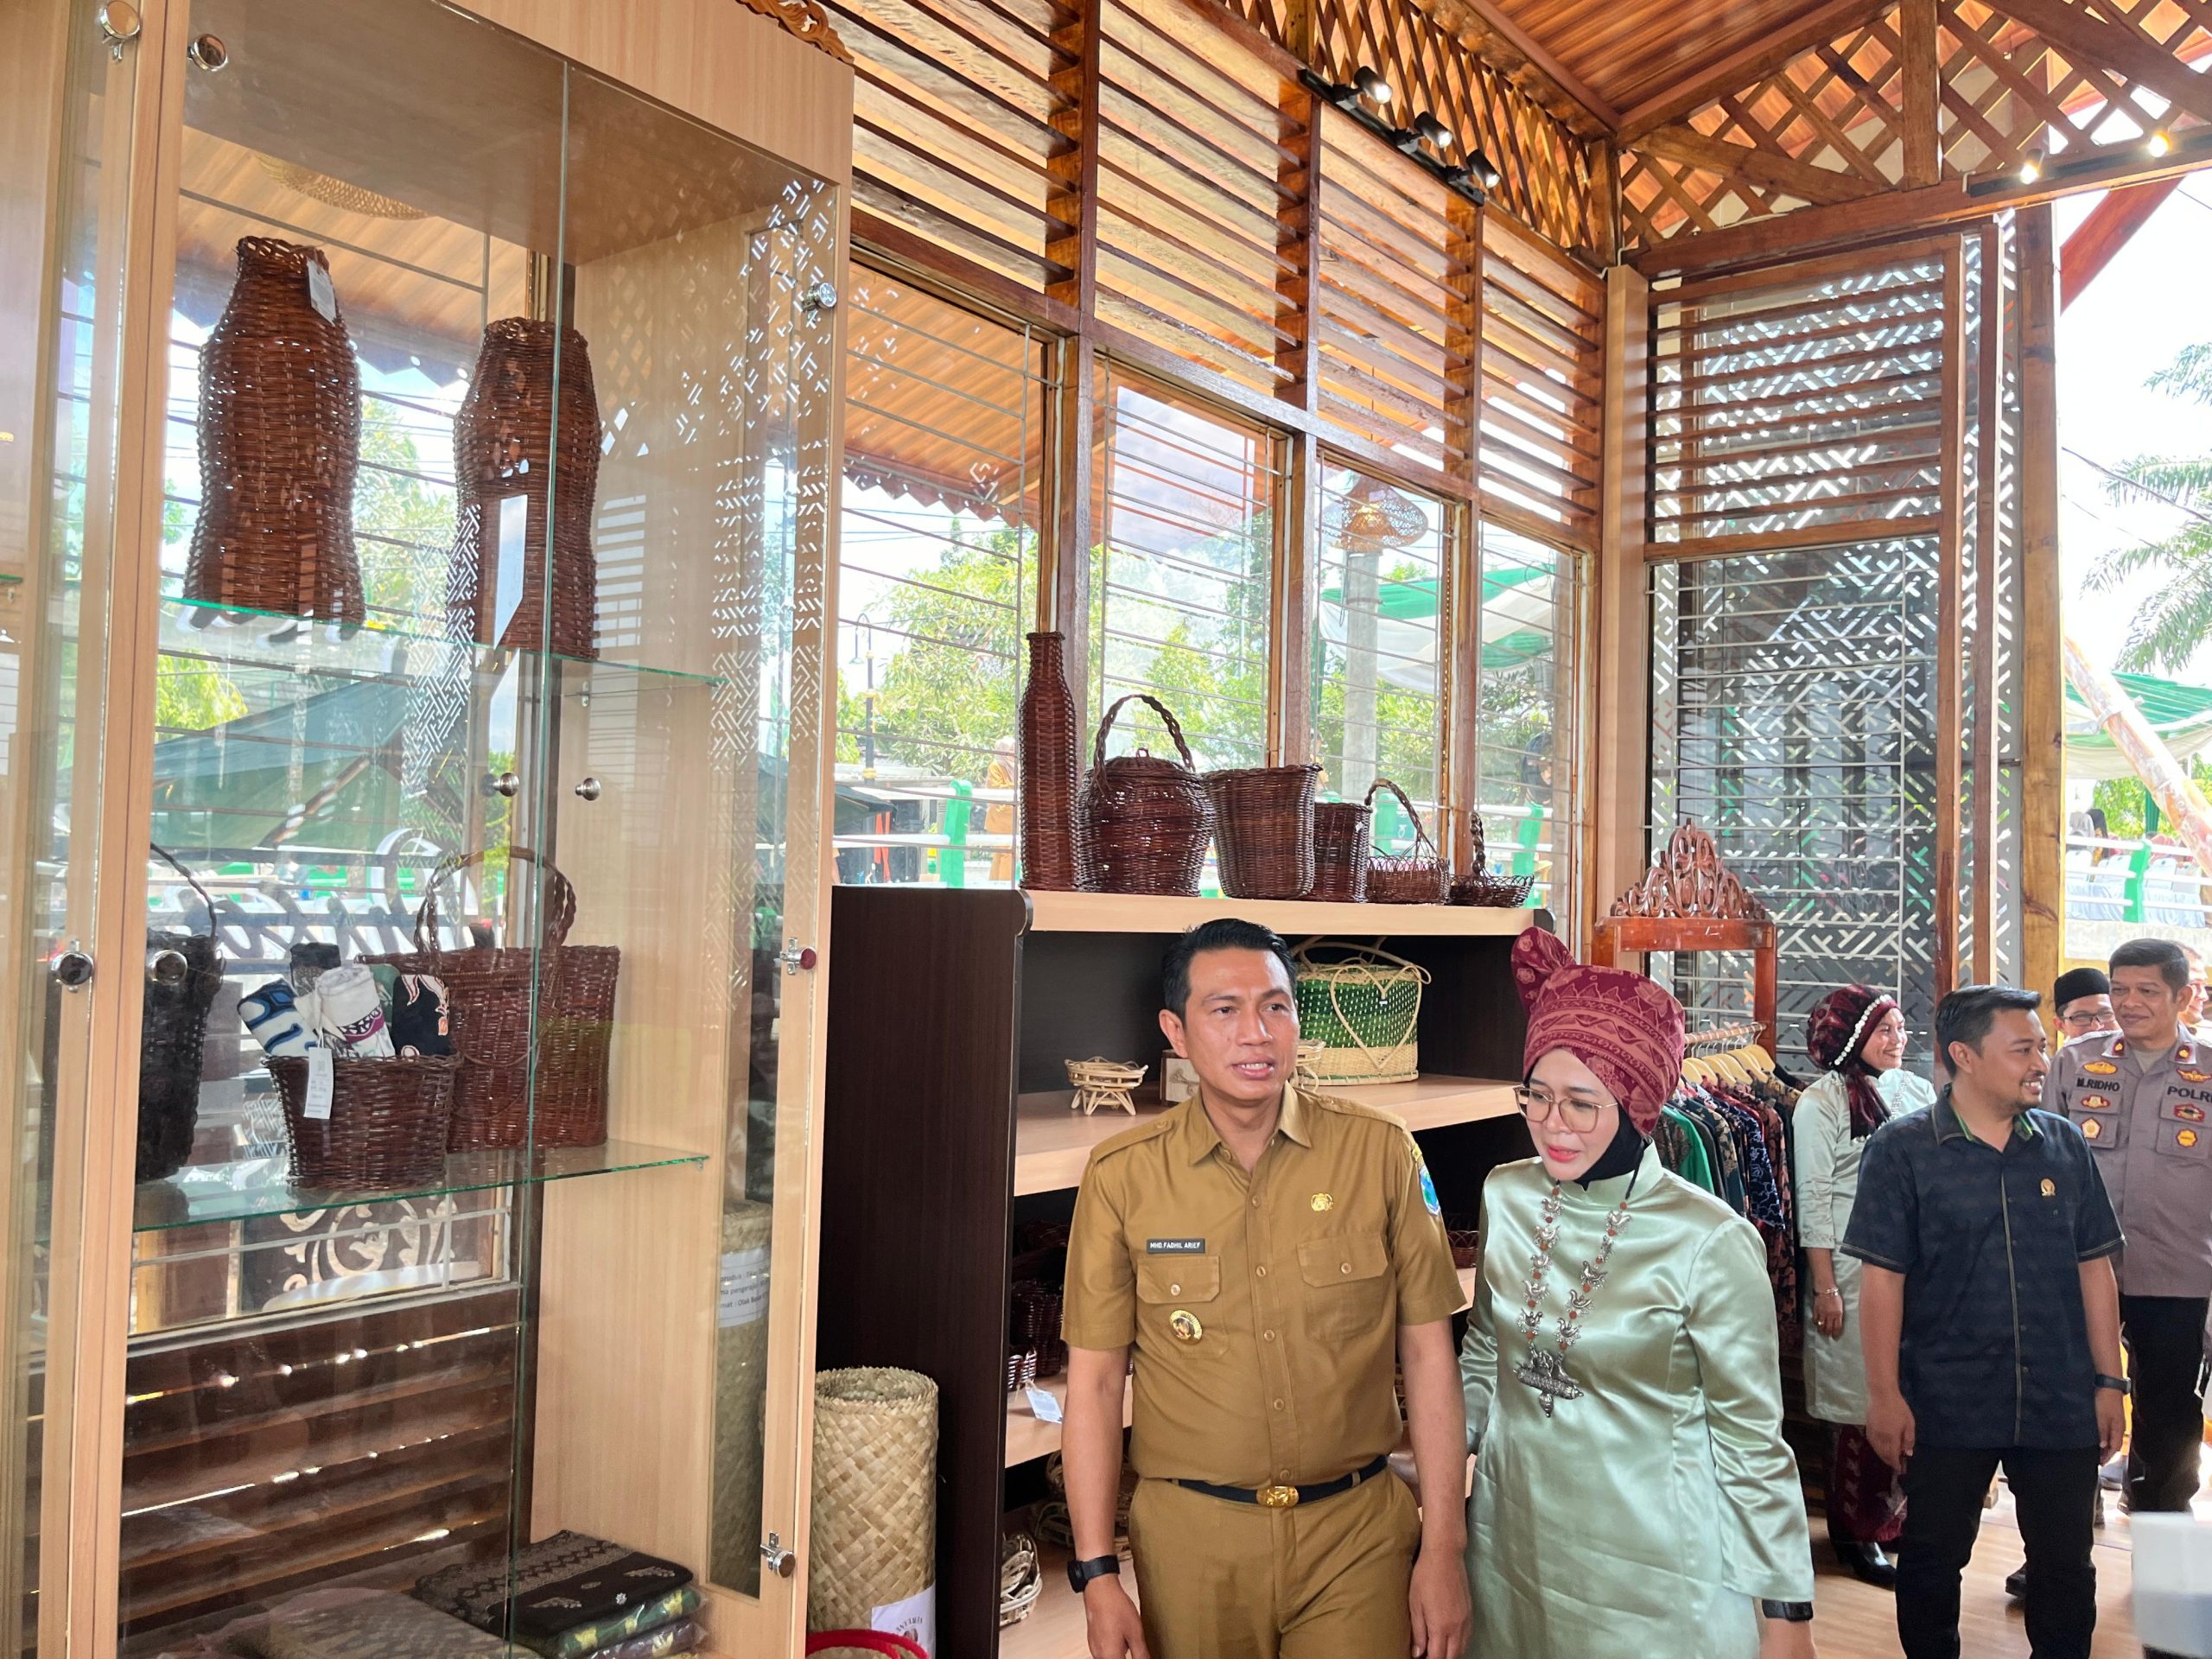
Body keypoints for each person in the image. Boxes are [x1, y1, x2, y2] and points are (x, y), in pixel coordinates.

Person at [1059, 918, 1471, 1659]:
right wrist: (1096, 1574)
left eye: (1275, 1007)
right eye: (1224, 1010)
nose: (1255, 1033)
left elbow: (1430, 1359)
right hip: (1192, 1546)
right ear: (1176, 1032)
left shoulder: (1381, 1154)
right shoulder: (1123, 1177)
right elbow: (1093, 1385)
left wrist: (1444, 1548)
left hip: (1356, 1537)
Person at [1458, 926, 1816, 1659]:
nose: (1552, 1126)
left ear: (1640, 1103)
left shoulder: (1708, 1241)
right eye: (1537, 1096)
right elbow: (1487, 1353)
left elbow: (1751, 1443)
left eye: (1582, 1103)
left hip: (1656, 1574)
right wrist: (1434, 1458)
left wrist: (1787, 1614)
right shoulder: (1508, 1194)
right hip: (1513, 1548)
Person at [1845, 985, 2126, 1659]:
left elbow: (2095, 1268)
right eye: (2023, 1049)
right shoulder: (1901, 1149)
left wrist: (2110, 1382)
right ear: (1964, 1056)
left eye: (2041, 1047)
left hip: (2059, 1395)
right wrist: (1883, 1396)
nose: (2041, 1062)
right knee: (1933, 1559)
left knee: (2066, 1566)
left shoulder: (2063, 1144)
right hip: (1946, 1397)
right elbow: (1882, 1281)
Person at [2046, 938, 2212, 1522]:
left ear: (2183, 997)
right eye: (2119, 989)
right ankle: (2063, 1532)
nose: (2129, 1002)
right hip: (2079, 1269)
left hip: (2178, 1274)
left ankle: (2159, 1529)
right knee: (2069, 1400)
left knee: (2169, 1415)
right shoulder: (2075, 1062)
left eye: (2147, 991)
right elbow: (2042, 1163)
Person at [1793, 984, 1936, 1587]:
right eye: (1884, 1030)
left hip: (1913, 1266)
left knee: (1907, 1390)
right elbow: (1813, 1197)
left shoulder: (1918, 1092)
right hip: (1849, 1268)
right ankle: (1856, 1532)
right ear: (1850, 1038)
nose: (1898, 1039)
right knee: (1856, 1401)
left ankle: (1898, 1521)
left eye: (1901, 1028)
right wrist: (1825, 1286)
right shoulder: (1820, 1103)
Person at [2051, 967, 2118, 1047]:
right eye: (2082, 1017)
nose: (2096, 1027)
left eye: (2105, 1014)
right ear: (2060, 1025)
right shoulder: (2063, 1056)